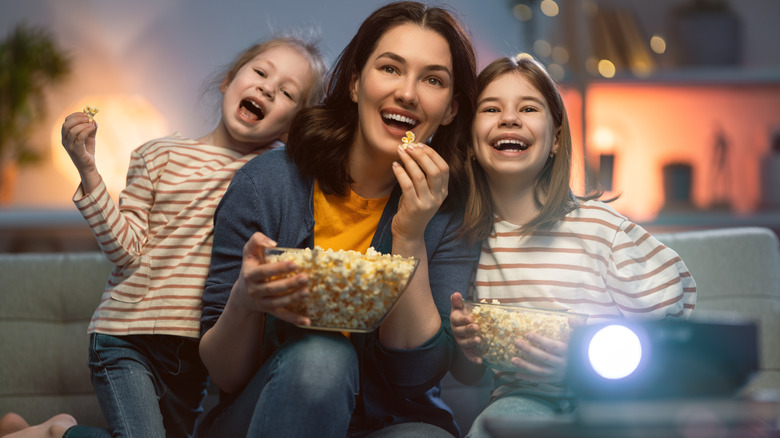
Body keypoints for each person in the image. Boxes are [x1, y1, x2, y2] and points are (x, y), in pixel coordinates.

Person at [0, 36, 326, 438]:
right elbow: (126, 250)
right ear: (228, 80)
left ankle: (51, 432)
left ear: (294, 125)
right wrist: (88, 171)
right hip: (127, 339)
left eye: (288, 92)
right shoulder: (158, 154)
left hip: (196, 356)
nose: (267, 88)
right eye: (260, 72)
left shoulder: (273, 176)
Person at [197, 2, 479, 437]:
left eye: (433, 79)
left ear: (451, 110)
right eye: (390, 68)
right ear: (354, 84)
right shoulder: (267, 184)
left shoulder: (451, 213)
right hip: (265, 413)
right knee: (324, 356)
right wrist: (245, 300)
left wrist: (410, 233)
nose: (407, 93)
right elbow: (225, 376)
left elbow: (414, 377)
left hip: (388, 421)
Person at [448, 55, 697, 438]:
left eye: (528, 108)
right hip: (525, 400)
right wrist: (469, 349)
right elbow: (471, 374)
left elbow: (673, 336)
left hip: (614, 400)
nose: (509, 118)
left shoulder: (601, 229)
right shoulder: (470, 243)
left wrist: (585, 361)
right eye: (491, 108)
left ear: (557, 138)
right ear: (469, 140)